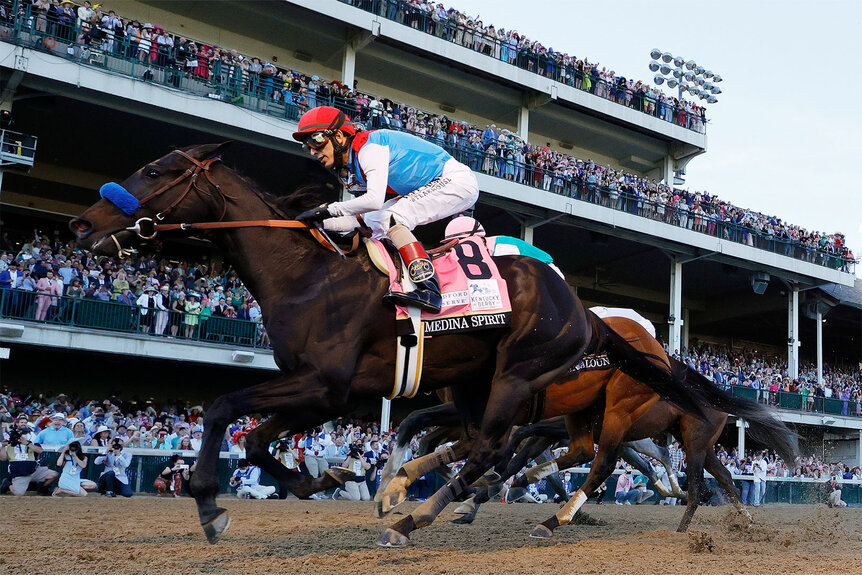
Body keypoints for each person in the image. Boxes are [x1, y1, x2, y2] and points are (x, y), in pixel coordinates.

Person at [292, 106, 479, 313]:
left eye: (315, 141)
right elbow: (361, 219)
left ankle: (430, 288)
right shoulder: (353, 162)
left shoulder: (368, 148)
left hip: (455, 180)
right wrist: (313, 223)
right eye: (306, 146)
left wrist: (328, 209)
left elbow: (373, 200)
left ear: (339, 136)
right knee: (372, 223)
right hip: (434, 183)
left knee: (394, 218)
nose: (312, 151)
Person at [0, 414, 59, 496]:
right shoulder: (9, 441)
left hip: (34, 470)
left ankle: (42, 488)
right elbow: (3, 458)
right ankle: (8, 484)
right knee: (18, 494)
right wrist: (3, 446)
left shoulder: (31, 439)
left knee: (54, 474)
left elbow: (40, 451)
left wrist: (27, 443)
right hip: (20, 473)